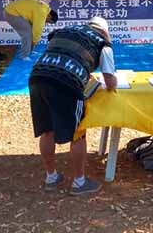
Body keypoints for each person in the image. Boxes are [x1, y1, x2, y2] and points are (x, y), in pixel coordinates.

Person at [28, 16, 117, 195]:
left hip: (37, 78)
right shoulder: (103, 44)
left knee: (47, 130)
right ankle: (79, 182)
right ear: (105, 33)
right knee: (78, 133)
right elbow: (111, 82)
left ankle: (51, 177)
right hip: (66, 83)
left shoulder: (64, 31)